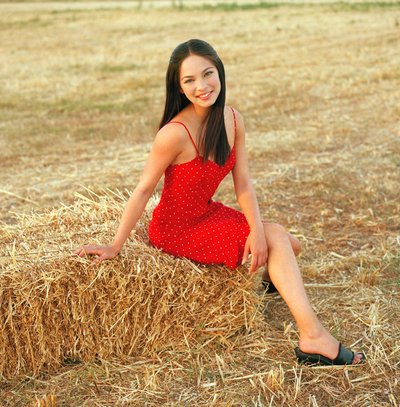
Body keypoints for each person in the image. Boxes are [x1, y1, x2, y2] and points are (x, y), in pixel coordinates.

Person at [74, 39, 365, 366]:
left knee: (287, 244)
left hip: (207, 213)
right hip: (176, 230)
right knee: (278, 240)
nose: (201, 86)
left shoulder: (234, 119)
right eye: (189, 80)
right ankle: (313, 337)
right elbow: (143, 190)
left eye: (207, 74)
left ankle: (273, 278)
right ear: (179, 88)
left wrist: (257, 231)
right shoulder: (174, 134)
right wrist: (115, 245)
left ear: (219, 72)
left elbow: (244, 184)